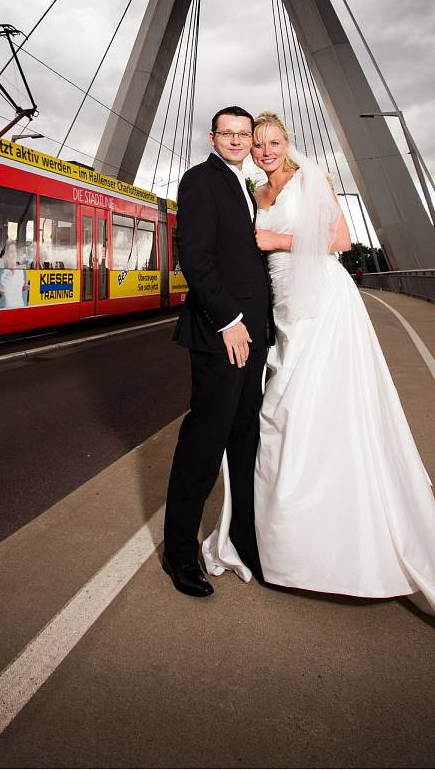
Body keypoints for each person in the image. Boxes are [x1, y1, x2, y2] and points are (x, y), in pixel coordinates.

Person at [201, 111, 435, 673]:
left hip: (325, 308)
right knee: (281, 424)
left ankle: (343, 552)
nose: (263, 150)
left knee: (324, 418)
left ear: (288, 143)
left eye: (272, 142)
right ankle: (287, 551)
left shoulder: (313, 178)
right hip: (283, 312)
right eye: (256, 144)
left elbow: (341, 239)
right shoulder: (254, 189)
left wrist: (272, 238)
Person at [159, 106, 271, 599]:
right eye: (227, 133)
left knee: (246, 445)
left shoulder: (242, 184)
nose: (236, 140)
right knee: (202, 448)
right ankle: (179, 554)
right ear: (213, 136)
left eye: (243, 134)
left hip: (255, 334)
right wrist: (228, 321)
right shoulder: (201, 180)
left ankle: (244, 541)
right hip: (222, 335)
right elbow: (195, 258)